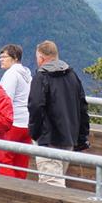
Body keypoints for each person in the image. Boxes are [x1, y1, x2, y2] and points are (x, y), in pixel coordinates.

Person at [27, 39, 90, 187]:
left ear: (41, 58)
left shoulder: (41, 77)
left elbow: (35, 106)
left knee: (51, 184)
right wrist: (81, 137)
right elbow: (82, 107)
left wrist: (35, 133)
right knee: (58, 178)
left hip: (48, 139)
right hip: (68, 138)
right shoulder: (72, 76)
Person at [0, 44, 33, 180]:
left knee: (4, 158)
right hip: (26, 124)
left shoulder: (11, 74)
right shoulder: (27, 74)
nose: (1, 59)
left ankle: (8, 188)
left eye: (4, 57)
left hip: (13, 123)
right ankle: (20, 188)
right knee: (21, 161)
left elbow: (5, 99)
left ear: (15, 58)